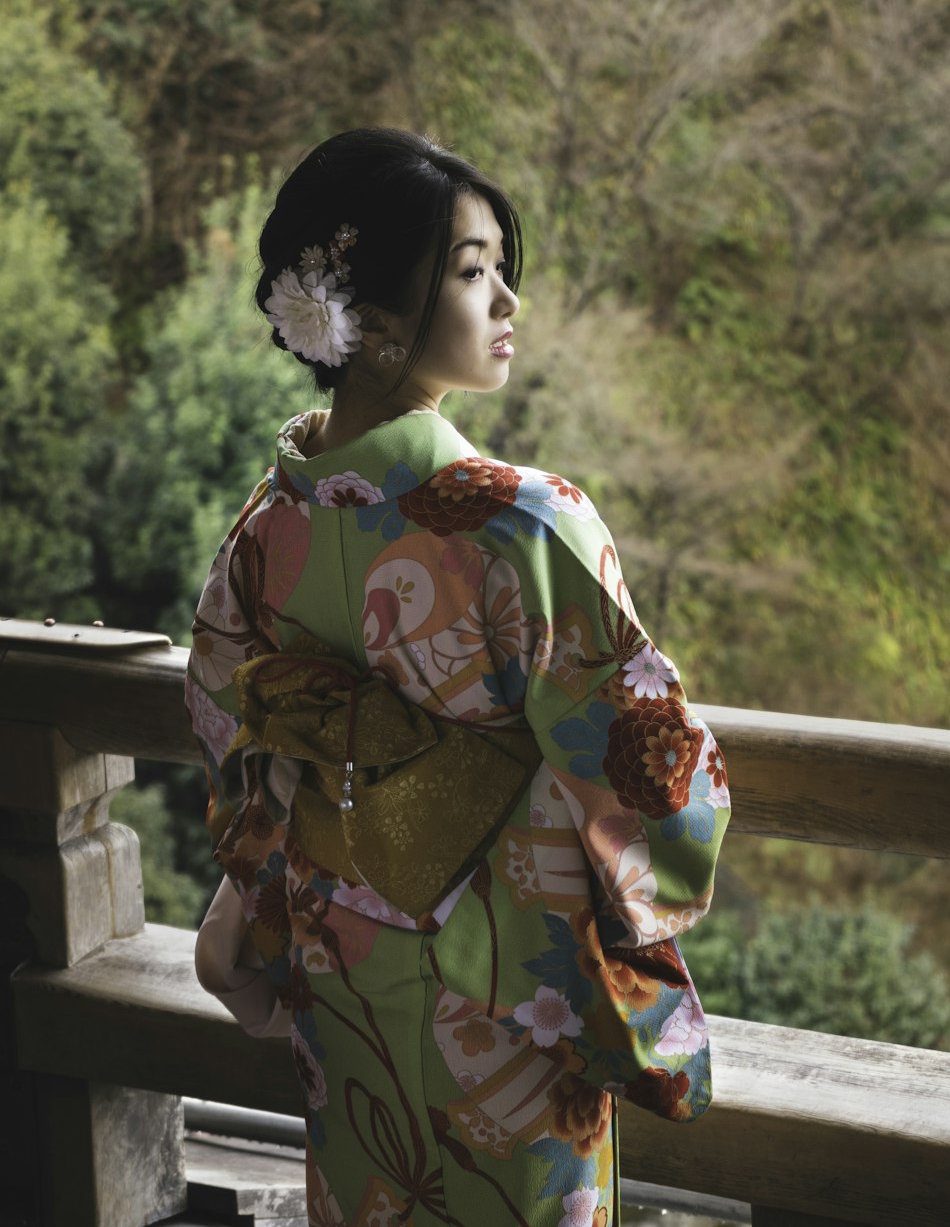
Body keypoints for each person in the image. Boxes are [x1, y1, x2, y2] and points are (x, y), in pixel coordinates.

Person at [185, 128, 730, 1227]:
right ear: (371, 325)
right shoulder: (525, 524)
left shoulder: (267, 524)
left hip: (344, 968)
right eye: (474, 272)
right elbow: (644, 767)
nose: (507, 299)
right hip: (510, 996)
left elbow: (220, 717)